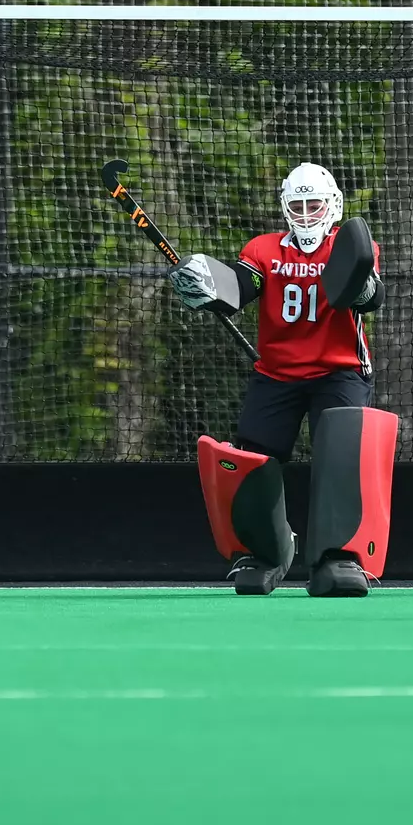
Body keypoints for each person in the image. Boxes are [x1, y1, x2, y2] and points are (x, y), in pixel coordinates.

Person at [169, 162, 387, 596]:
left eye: (314, 204)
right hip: (277, 373)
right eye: (297, 205)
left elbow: (372, 293)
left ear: (333, 205)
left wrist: (363, 289)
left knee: (341, 456)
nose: (306, 214)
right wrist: (206, 284)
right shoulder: (264, 249)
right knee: (253, 460)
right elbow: (240, 285)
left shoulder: (349, 247)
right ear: (286, 208)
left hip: (339, 369)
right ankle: (267, 551)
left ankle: (339, 556)